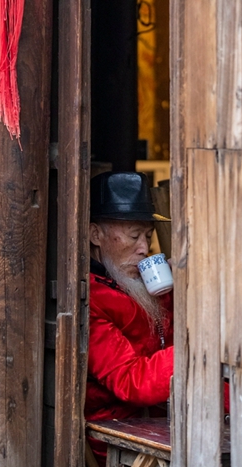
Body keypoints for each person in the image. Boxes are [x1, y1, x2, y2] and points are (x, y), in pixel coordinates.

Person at [85, 171, 173, 466]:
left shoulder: (132, 283)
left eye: (148, 237)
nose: (144, 248)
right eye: (134, 235)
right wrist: (195, 346)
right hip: (119, 437)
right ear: (95, 234)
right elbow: (131, 380)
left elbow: (162, 337)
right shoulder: (91, 296)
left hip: (163, 421)